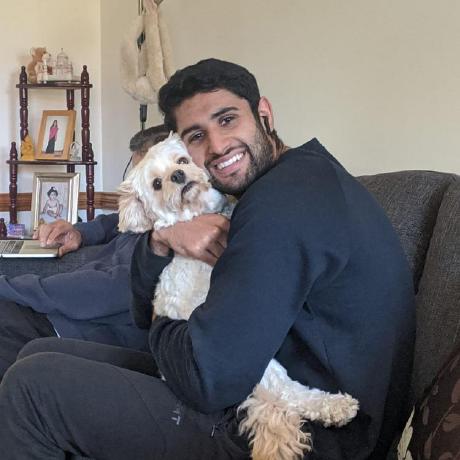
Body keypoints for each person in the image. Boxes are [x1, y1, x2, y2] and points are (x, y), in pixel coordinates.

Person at [0, 59, 415, 460]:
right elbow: (148, 314)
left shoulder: (281, 204)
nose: (217, 146)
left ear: (264, 114)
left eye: (227, 119)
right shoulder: (286, 181)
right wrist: (161, 240)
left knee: (32, 387)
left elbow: (205, 378)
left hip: (302, 432)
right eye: (196, 136)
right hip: (254, 386)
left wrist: (165, 317)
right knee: (38, 351)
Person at [0, 124, 169, 380]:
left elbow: (99, 290)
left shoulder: (174, 241)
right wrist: (80, 232)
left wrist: (8, 287)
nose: (136, 191)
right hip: (59, 319)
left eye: (145, 181)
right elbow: (115, 222)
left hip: (80, 335)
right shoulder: (144, 217)